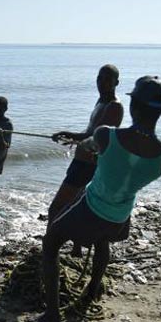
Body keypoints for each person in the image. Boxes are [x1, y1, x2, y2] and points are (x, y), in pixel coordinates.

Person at [39, 75, 161, 322]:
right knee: (102, 241)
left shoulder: (106, 136)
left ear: (133, 106)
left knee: (50, 243)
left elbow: (89, 146)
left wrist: (85, 144)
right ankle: (92, 289)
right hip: (120, 216)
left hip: (91, 208)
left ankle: (52, 314)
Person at [49, 64, 124, 256]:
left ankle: (48, 249)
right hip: (82, 161)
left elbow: (98, 138)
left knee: (56, 208)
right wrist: (69, 135)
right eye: (100, 78)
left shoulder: (114, 106)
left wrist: (74, 139)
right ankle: (76, 249)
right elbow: (89, 133)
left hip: (88, 165)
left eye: (108, 79)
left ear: (116, 82)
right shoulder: (101, 102)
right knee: (76, 206)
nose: (102, 83)